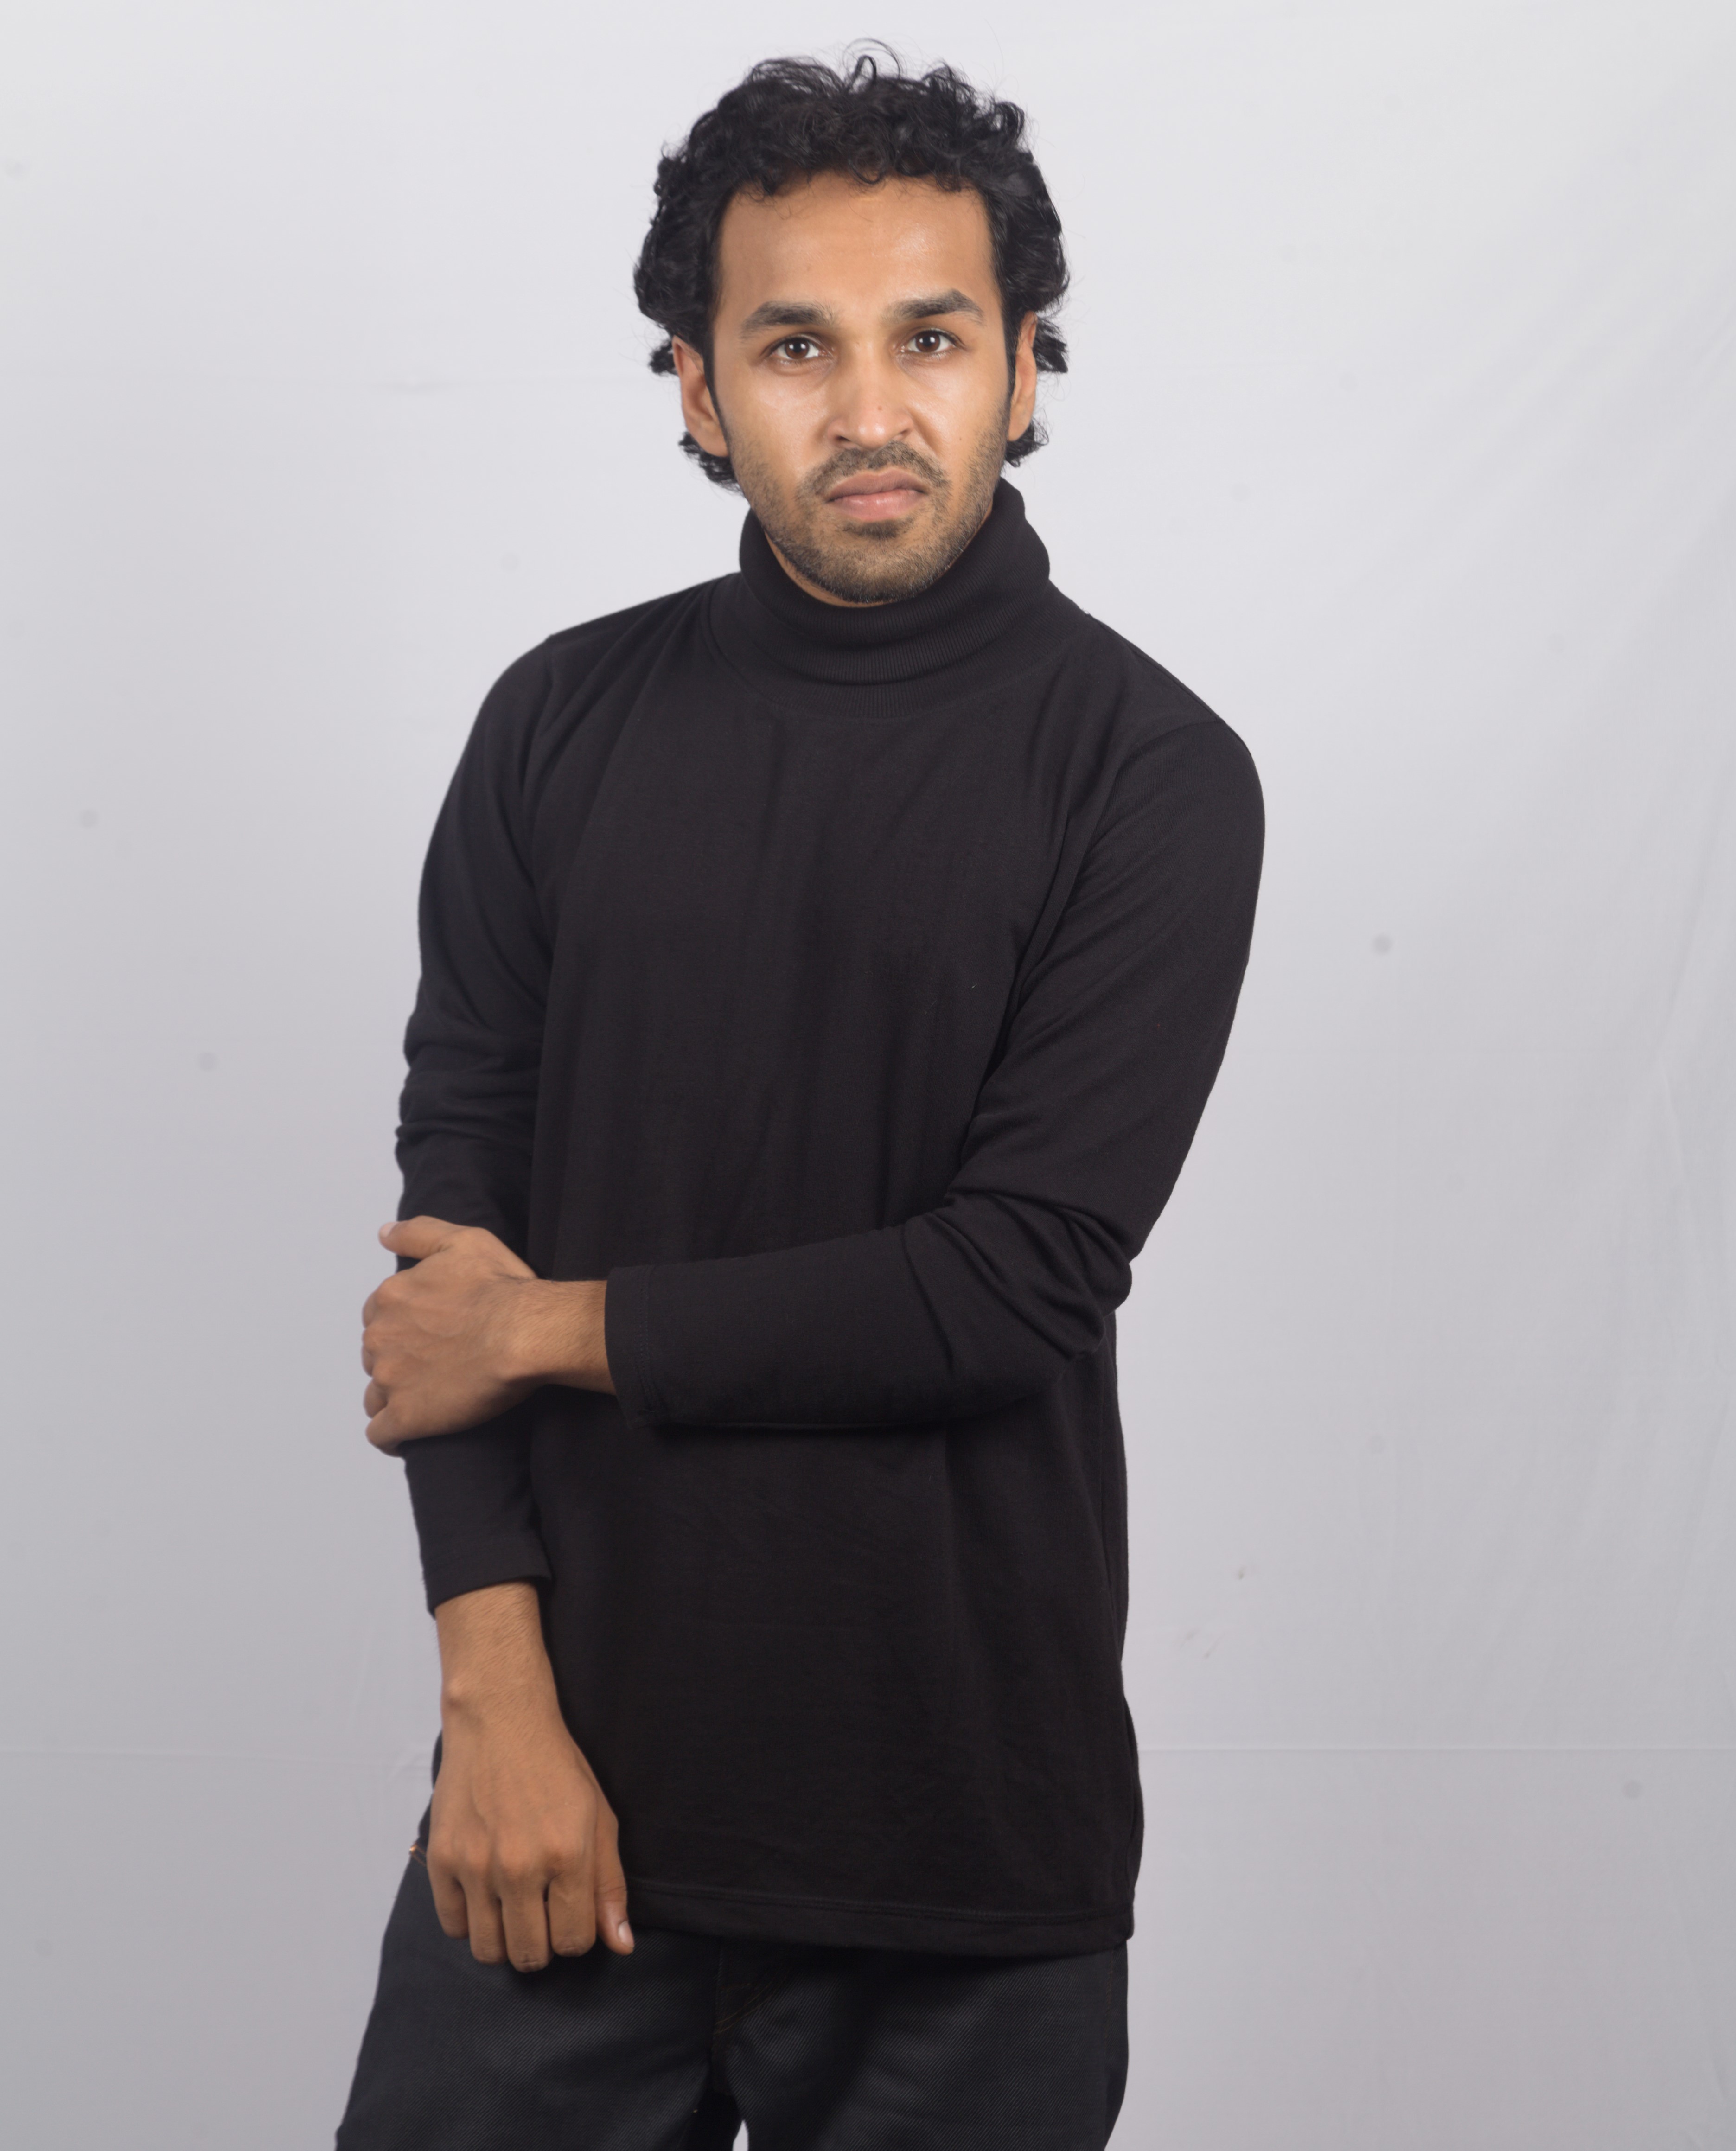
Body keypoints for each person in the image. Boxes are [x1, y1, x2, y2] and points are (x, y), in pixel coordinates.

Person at [337, 51, 1263, 2151]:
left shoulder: (1149, 774)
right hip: (553, 1817)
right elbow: (446, 1254)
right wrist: (491, 1702)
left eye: (929, 337)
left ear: (1022, 368)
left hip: (961, 1859)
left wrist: (552, 1329)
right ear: (696, 389)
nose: (869, 409)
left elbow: (1012, 1287)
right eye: (794, 346)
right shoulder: (557, 721)